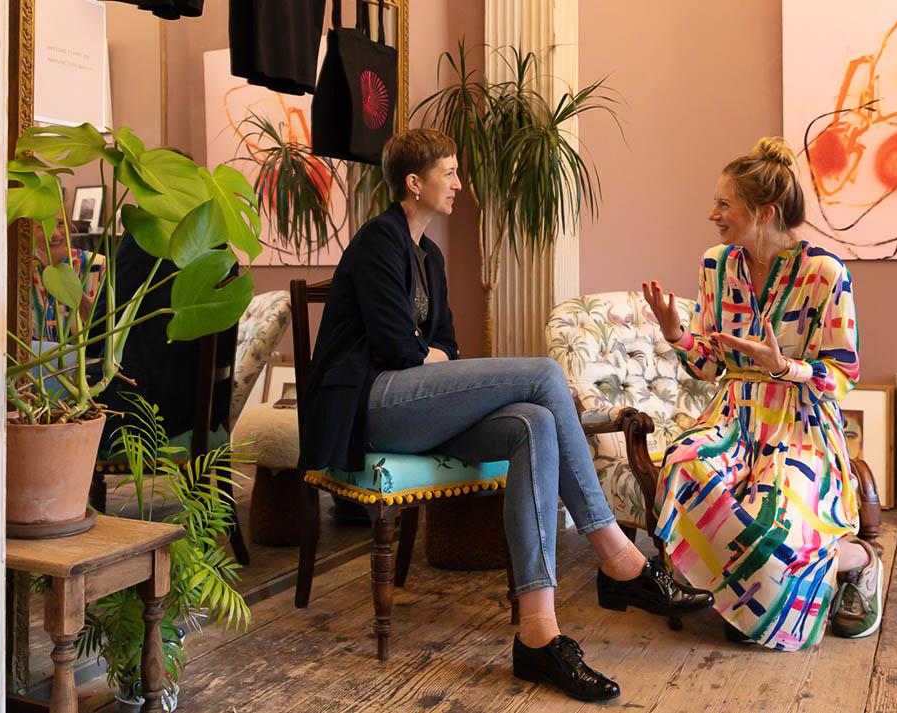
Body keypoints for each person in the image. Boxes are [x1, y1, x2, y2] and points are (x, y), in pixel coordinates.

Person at [300, 128, 711, 702]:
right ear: (414, 183)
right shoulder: (377, 241)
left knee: (534, 423)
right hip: (373, 405)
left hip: (417, 399)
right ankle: (619, 558)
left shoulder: (430, 256)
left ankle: (538, 637)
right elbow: (399, 350)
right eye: (449, 172)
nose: (460, 183)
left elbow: (445, 345)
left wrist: (431, 353)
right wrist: (430, 354)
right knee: (543, 377)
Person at [641, 137, 881, 651]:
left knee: (775, 523)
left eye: (724, 204)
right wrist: (675, 334)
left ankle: (858, 561)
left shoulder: (825, 274)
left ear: (764, 212)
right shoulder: (717, 266)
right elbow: (708, 364)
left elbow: (843, 375)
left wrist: (786, 367)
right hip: (732, 417)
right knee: (685, 464)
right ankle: (768, 586)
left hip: (801, 428)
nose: (713, 214)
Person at [31, 215, 104, 343]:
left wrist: (71, 289)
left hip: (85, 361)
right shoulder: (22, 272)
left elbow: (105, 326)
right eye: (42, 227)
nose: (54, 234)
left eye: (60, 224)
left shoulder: (96, 266)